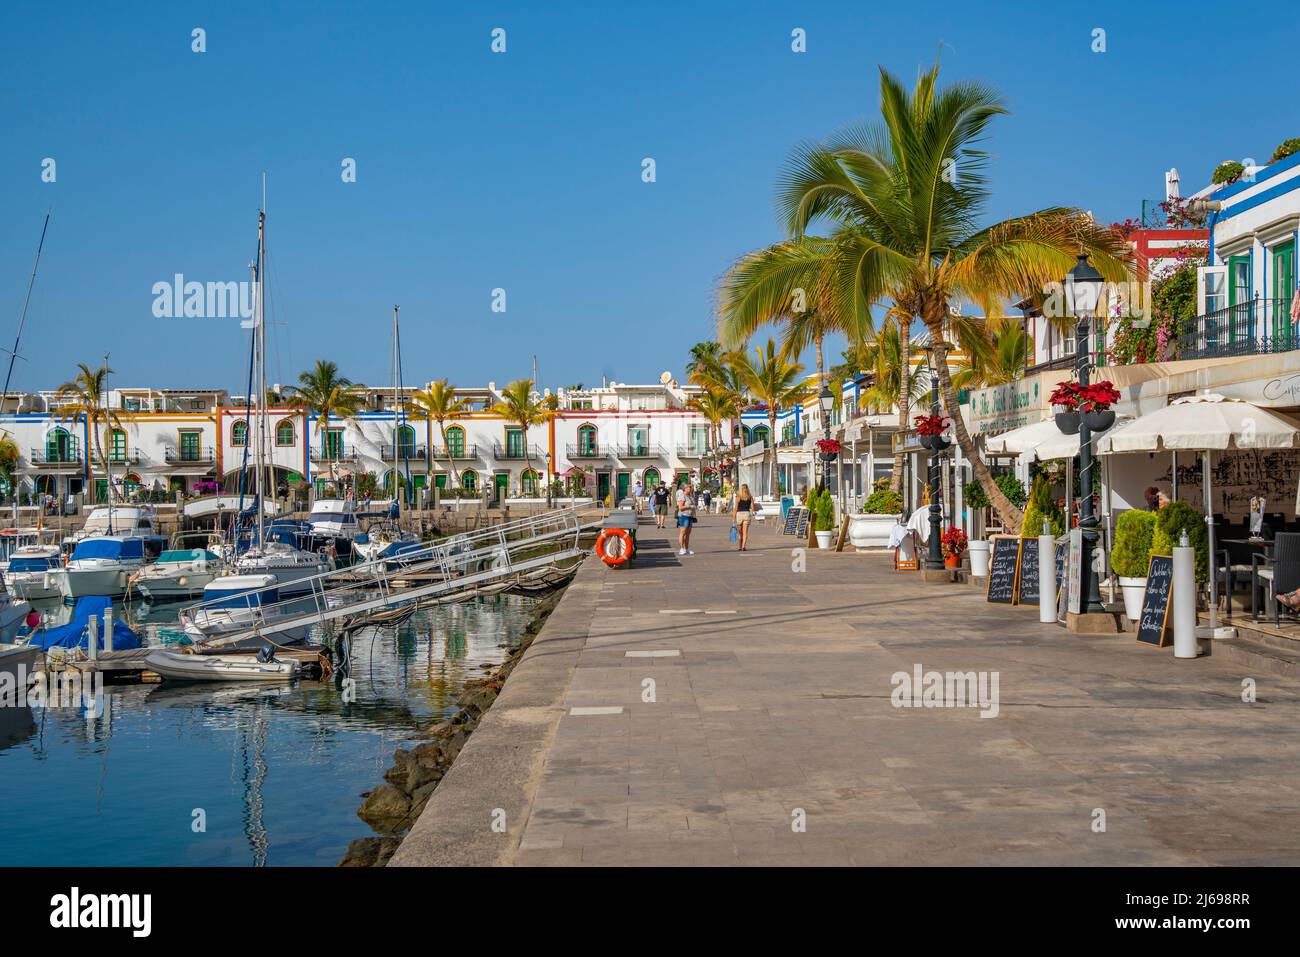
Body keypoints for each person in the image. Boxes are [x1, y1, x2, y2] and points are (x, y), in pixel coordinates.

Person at [676, 482, 697, 556]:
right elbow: (680, 507)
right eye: (688, 487)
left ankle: (687, 549)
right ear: (684, 488)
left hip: (690, 516)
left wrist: (693, 508)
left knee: (688, 534)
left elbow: (693, 504)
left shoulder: (690, 496)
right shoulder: (682, 496)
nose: (690, 488)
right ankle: (682, 549)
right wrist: (690, 507)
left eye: (690, 487)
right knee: (683, 532)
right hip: (683, 516)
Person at [732, 483, 755, 551]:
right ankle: (743, 546)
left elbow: (735, 508)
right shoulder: (750, 497)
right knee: (745, 532)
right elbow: (753, 508)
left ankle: (739, 546)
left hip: (739, 515)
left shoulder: (738, 497)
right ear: (747, 489)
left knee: (740, 532)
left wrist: (733, 518)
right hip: (746, 514)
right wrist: (753, 503)